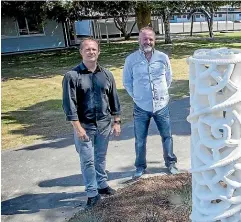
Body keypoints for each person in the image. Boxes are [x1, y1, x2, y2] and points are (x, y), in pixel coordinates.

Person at [62, 38, 121, 208]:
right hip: (84, 126)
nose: (91, 52)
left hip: (104, 124)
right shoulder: (72, 76)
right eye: (87, 49)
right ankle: (92, 193)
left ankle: (102, 185)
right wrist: (77, 127)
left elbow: (113, 98)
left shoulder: (107, 74)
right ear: (81, 52)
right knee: (87, 160)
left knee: (100, 157)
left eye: (94, 49)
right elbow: (69, 104)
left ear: (98, 52)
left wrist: (116, 121)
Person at [123, 27, 178, 179]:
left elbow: (168, 78)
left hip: (161, 105)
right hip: (141, 107)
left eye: (151, 39)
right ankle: (140, 167)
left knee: (167, 136)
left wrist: (162, 93)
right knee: (140, 139)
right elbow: (127, 82)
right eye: (145, 39)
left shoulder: (162, 57)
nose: (148, 42)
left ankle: (171, 163)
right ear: (139, 40)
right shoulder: (131, 60)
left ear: (154, 40)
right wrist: (137, 96)